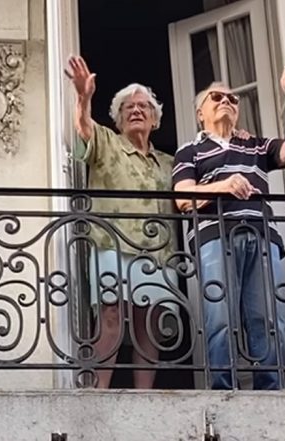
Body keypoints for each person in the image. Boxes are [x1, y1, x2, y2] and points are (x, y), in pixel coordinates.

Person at [172, 64, 285, 390]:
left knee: (267, 318)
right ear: (200, 113)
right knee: (220, 317)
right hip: (214, 236)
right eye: (217, 97)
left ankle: (270, 391)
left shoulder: (256, 145)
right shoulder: (190, 150)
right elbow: (182, 198)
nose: (226, 102)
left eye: (232, 99)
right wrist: (223, 186)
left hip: (261, 235)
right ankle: (222, 391)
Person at [66, 55, 176, 389]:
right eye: (128, 107)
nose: (136, 110)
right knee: (111, 315)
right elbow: (83, 129)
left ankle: (144, 396)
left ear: (155, 119)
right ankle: (99, 392)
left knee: (150, 323)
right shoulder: (107, 143)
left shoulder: (170, 163)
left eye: (143, 106)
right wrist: (83, 98)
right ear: (117, 119)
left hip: (158, 252)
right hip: (112, 243)